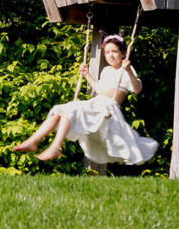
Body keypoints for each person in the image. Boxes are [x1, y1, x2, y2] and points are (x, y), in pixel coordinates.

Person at [12, 34, 158, 168]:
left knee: (70, 110)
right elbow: (100, 89)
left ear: (123, 53)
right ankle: (33, 141)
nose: (110, 55)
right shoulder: (106, 71)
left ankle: (55, 147)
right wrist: (87, 75)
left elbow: (137, 88)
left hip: (108, 107)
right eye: (107, 52)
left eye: (114, 51)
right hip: (97, 103)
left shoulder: (126, 69)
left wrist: (128, 71)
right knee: (58, 111)